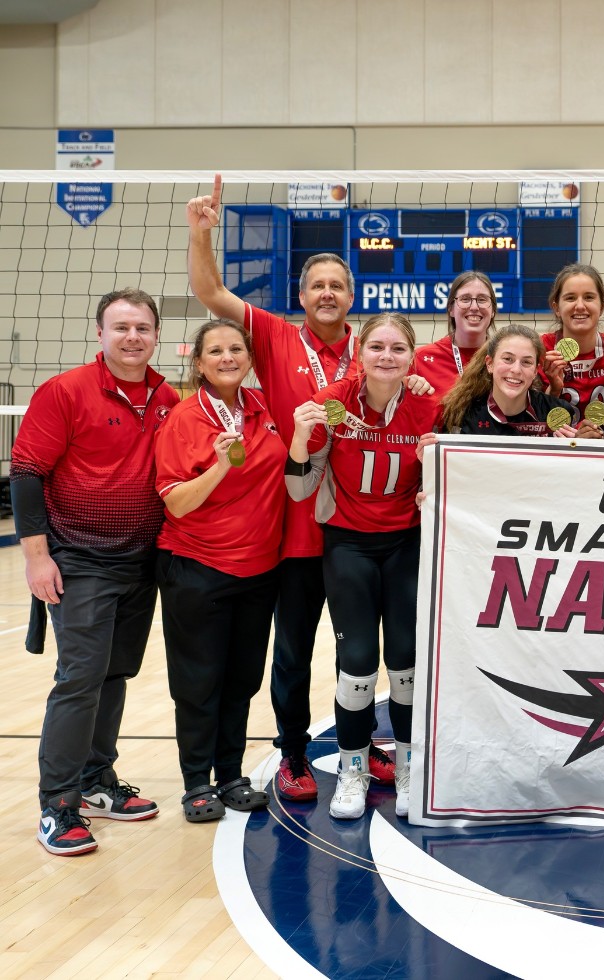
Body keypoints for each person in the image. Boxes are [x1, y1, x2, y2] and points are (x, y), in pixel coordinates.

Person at [186, 175, 398, 800]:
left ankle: (362, 744)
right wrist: (203, 232)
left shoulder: (378, 349)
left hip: (365, 528)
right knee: (294, 652)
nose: (327, 293)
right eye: (317, 285)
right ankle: (294, 755)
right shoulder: (275, 336)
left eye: (337, 285)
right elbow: (211, 292)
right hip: (299, 526)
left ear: (352, 296)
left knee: (363, 651)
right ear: (300, 296)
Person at [13, 288, 178, 855]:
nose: (132, 337)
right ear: (100, 334)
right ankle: (57, 805)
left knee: (115, 673)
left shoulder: (168, 397)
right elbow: (28, 474)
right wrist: (37, 557)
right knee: (81, 676)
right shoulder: (65, 391)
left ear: (156, 335)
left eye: (142, 328)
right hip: (79, 558)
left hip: (141, 559)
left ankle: (94, 780)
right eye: (121, 327)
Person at [286, 313, 441, 820]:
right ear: (360, 352)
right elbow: (298, 488)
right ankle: (353, 769)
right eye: (377, 346)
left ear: (412, 356)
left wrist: (435, 475)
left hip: (405, 546)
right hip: (348, 545)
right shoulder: (334, 401)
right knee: (357, 667)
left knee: (405, 666)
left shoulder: (429, 404)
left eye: (399, 348)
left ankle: (411, 767)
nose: (387, 357)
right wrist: (298, 437)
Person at [154, 319, 286, 822]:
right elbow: (177, 506)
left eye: (236, 348)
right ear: (199, 362)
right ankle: (195, 783)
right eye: (216, 351)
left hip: (259, 569)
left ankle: (230, 774)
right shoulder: (184, 420)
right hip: (197, 567)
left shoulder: (262, 408)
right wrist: (219, 467)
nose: (228, 357)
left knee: (242, 679)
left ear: (248, 357)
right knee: (198, 681)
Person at [440, 324, 576, 437]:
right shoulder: (463, 414)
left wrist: (575, 447)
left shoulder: (558, 413)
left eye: (526, 362)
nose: (516, 369)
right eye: (507, 359)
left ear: (535, 371)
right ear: (490, 364)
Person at [539, 263, 604, 424]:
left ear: (602, 306)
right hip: (554, 445)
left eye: (589, 297)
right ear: (556, 308)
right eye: (570, 298)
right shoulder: (539, 349)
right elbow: (529, 418)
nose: (580, 306)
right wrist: (554, 390)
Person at [412, 271, 498, 401]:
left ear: (493, 311)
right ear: (451, 309)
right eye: (465, 299)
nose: (474, 307)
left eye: (482, 299)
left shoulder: (506, 358)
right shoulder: (420, 359)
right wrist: (404, 382)